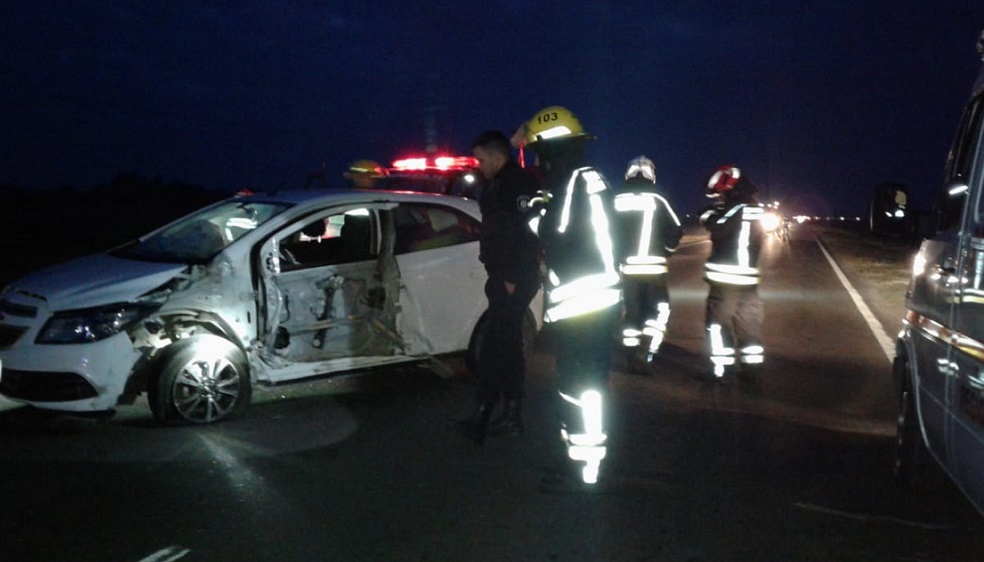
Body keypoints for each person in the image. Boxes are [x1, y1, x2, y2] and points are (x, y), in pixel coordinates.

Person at [515, 105, 621, 486]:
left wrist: (532, 209)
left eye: (539, 152)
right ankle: (585, 455)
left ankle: (585, 462)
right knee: (587, 378)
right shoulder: (592, 178)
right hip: (599, 299)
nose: (539, 162)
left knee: (578, 382)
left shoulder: (574, 181)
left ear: (550, 148)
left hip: (582, 302)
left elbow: (554, 232)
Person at [454, 130, 542, 445]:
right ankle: (509, 414)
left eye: (480, 159)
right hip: (504, 276)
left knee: (495, 349)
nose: (479, 166)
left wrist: (511, 277)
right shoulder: (499, 185)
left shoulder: (518, 185)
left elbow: (528, 233)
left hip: (513, 278)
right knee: (507, 346)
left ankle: (486, 414)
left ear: (495, 155)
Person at [613, 156, 683, 369]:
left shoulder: (616, 199)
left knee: (631, 312)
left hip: (626, 269)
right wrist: (667, 251)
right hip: (654, 269)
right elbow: (676, 230)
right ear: (652, 174)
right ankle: (646, 353)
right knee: (658, 311)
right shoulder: (658, 198)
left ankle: (629, 353)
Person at [699, 165, 766, 379]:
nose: (719, 197)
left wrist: (706, 214)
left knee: (718, 326)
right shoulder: (753, 207)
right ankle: (752, 369)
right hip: (748, 282)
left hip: (726, 282)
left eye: (720, 192)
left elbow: (718, 228)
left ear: (729, 186)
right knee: (749, 326)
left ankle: (720, 370)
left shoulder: (738, 208)